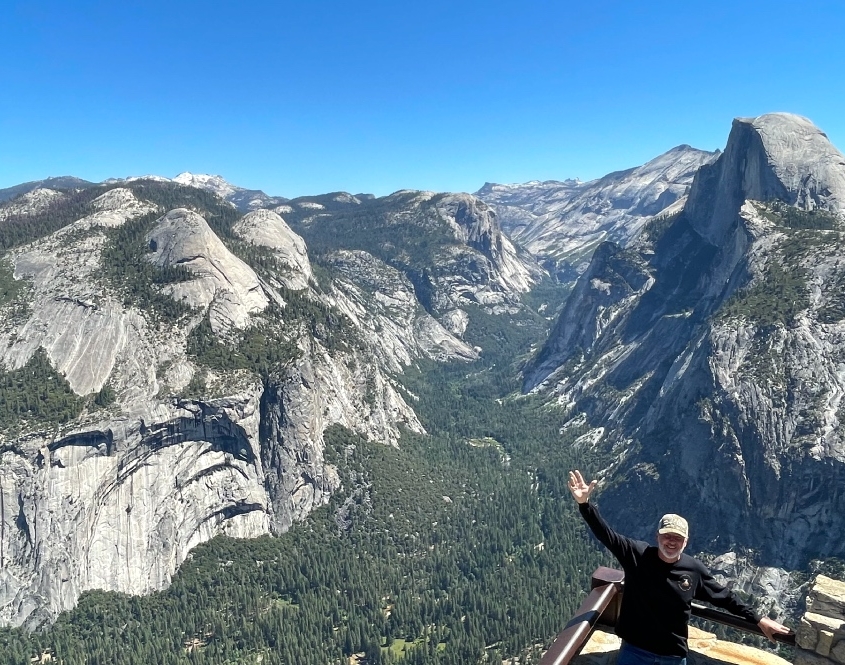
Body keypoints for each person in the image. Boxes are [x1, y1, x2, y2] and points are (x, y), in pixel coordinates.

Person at [567, 470, 790, 665]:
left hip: (672, 657)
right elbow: (606, 535)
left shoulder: (694, 570)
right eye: (666, 536)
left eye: (677, 538)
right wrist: (584, 505)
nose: (671, 542)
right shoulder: (638, 554)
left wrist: (759, 619)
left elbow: (725, 598)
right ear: (657, 536)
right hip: (634, 651)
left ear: (686, 541)